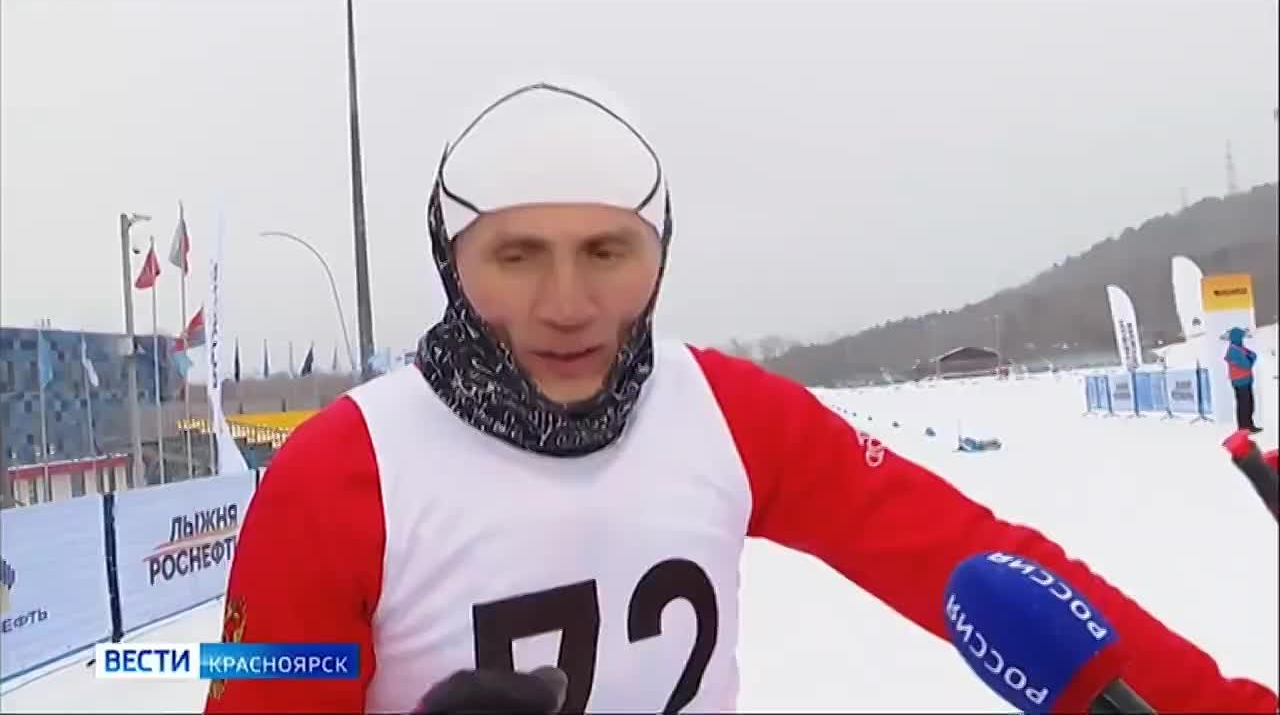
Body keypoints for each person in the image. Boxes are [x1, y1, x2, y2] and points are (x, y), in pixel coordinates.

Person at [204, 82, 1278, 714]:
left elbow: (975, 562)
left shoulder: (725, 410)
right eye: (517, 255)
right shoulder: (331, 475)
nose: (568, 304)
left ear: (660, 253)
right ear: (451, 261)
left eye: (608, 252)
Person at [1225, 327, 1261, 433]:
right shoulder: (1233, 350)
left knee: (1249, 404)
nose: (1242, 338)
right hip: (1240, 382)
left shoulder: (1240, 348)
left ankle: (1249, 426)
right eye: (1241, 336)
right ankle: (1244, 428)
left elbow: (1253, 355)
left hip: (1246, 380)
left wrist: (1249, 357)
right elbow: (1246, 364)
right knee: (1244, 406)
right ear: (1237, 337)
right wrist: (1249, 357)